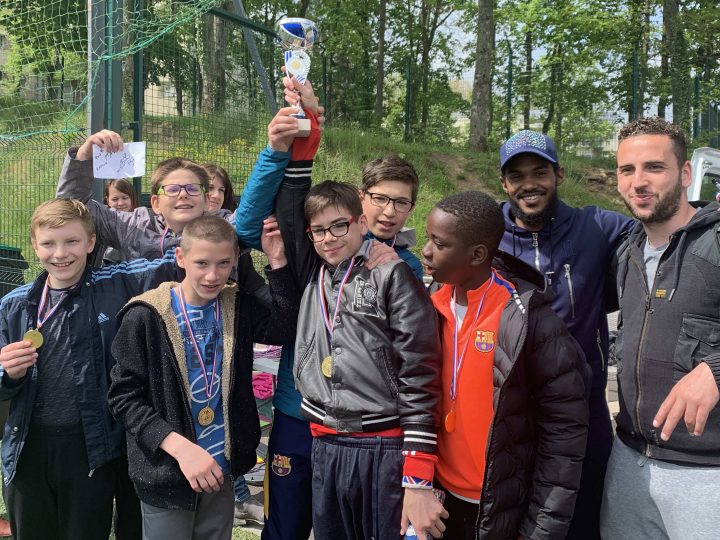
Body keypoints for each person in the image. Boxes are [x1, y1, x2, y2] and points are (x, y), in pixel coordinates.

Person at [234, 77, 407, 540]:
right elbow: (250, 227)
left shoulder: (400, 267)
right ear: (362, 200)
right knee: (284, 527)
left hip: (363, 432)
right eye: (380, 199)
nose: (389, 211)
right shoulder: (318, 250)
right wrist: (290, 144)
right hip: (296, 412)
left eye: (401, 202)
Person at [108, 214, 299, 539]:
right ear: (181, 258)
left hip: (221, 470)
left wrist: (277, 261)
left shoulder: (237, 305)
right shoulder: (144, 316)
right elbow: (124, 399)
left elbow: (284, 326)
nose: (213, 275)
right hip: (168, 474)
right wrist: (183, 450)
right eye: (202, 263)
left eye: (223, 264)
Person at [0, 198, 181, 539]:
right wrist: (9, 374)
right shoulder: (14, 304)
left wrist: (188, 214)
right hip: (27, 448)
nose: (60, 253)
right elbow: (1, 384)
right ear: (35, 246)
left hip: (91, 449)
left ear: (91, 242)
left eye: (71, 241)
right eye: (49, 244)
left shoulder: (114, 283)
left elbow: (178, 260)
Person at [421, 190, 589, 539]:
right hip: (435, 501)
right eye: (427, 239)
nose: (425, 250)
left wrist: (540, 532)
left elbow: (564, 437)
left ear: (477, 254)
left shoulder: (532, 321)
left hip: (500, 508)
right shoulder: (427, 305)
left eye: (439, 243)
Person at [497, 129, 633, 538]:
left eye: (539, 172)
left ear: (559, 173)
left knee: (585, 522)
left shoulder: (598, 226)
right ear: (504, 184)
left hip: (584, 414)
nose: (529, 184)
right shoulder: (485, 234)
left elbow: (660, 232)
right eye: (517, 176)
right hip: (511, 416)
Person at [600, 117, 720, 539]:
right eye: (627, 170)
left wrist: (714, 369)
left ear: (686, 174)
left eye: (654, 167)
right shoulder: (625, 253)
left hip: (707, 476)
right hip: (629, 462)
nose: (639, 182)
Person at [102, 179, 139, 265]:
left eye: (125, 198)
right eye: (115, 199)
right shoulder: (102, 224)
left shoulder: (142, 222)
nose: (120, 203)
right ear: (107, 200)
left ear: (132, 198)